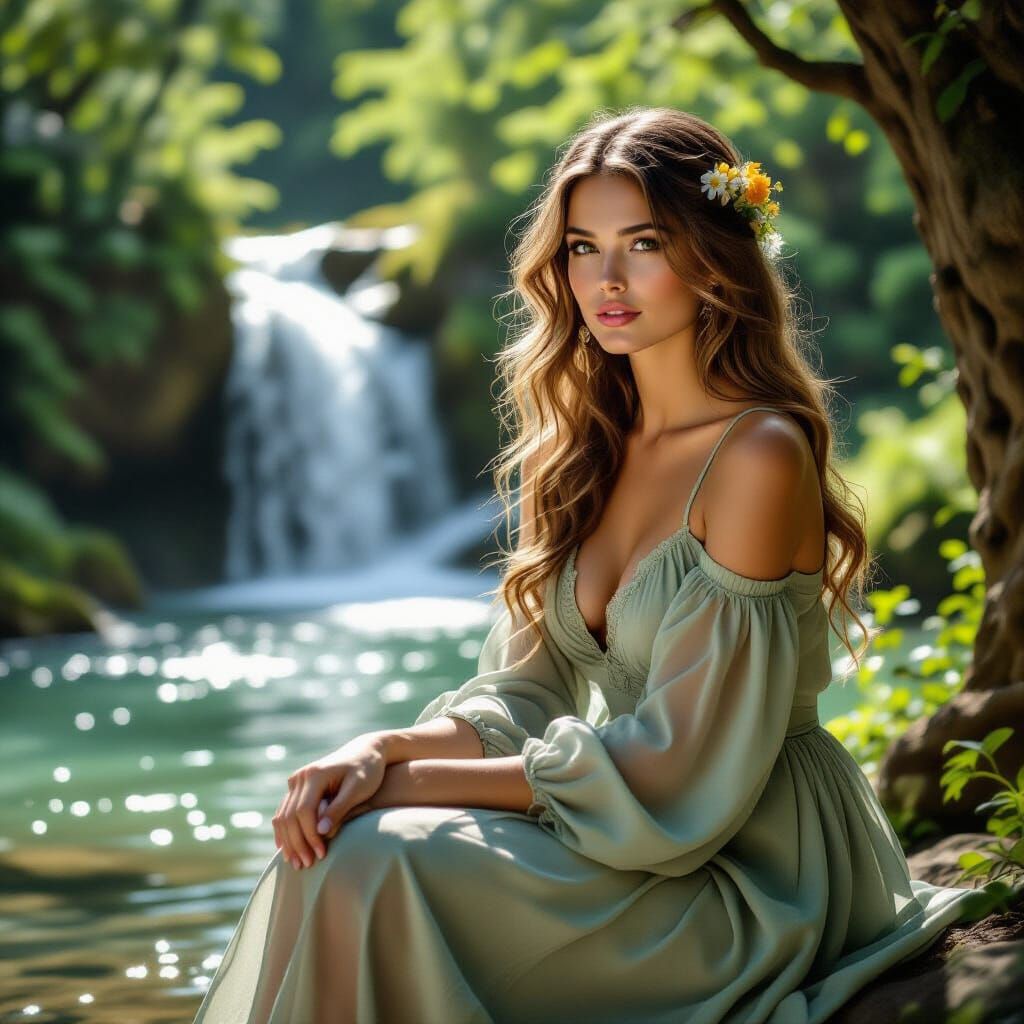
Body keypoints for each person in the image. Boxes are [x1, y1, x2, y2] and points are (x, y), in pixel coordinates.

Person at [193, 106, 978, 1024]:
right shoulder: (571, 454)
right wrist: (380, 750)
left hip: (748, 864)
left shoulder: (758, 456)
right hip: (620, 828)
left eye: (642, 243)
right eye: (580, 247)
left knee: (375, 848)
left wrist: (405, 785)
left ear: (714, 251)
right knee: (341, 844)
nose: (605, 279)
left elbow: (680, 769)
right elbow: (525, 695)